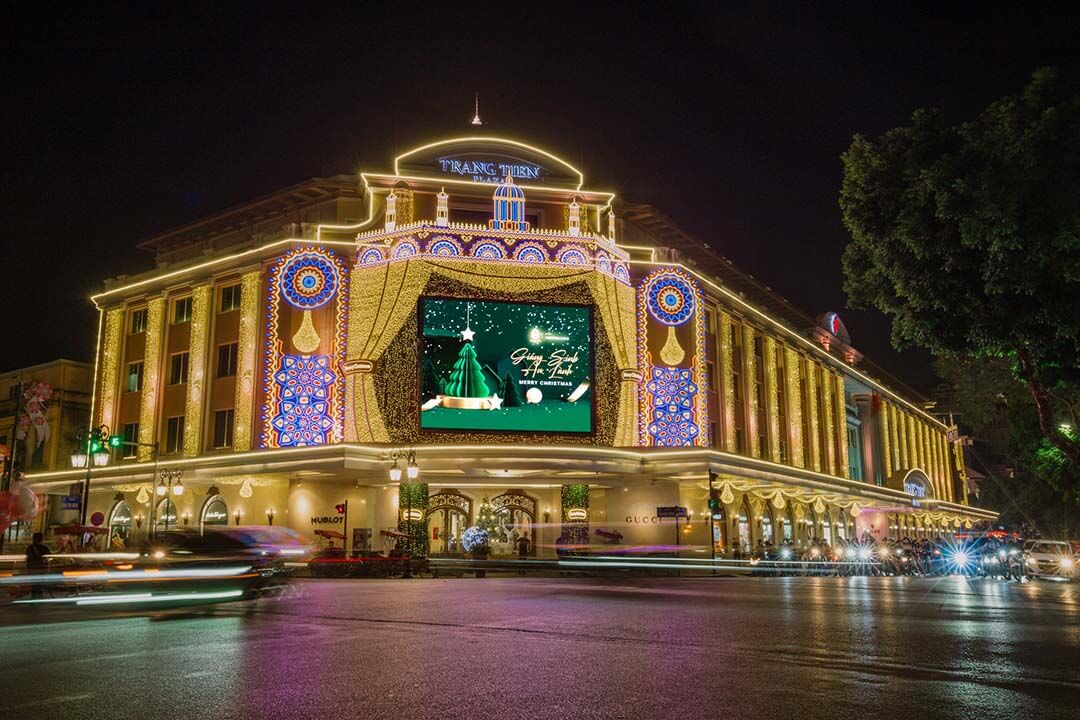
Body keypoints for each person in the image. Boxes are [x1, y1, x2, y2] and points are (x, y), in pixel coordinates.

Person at [25, 532, 51, 599]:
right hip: (41, 569)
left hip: (32, 568)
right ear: (41, 539)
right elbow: (50, 557)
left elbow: (27, 559)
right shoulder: (44, 548)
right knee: (39, 585)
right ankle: (39, 598)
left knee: (34, 585)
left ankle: (33, 599)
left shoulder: (29, 548)